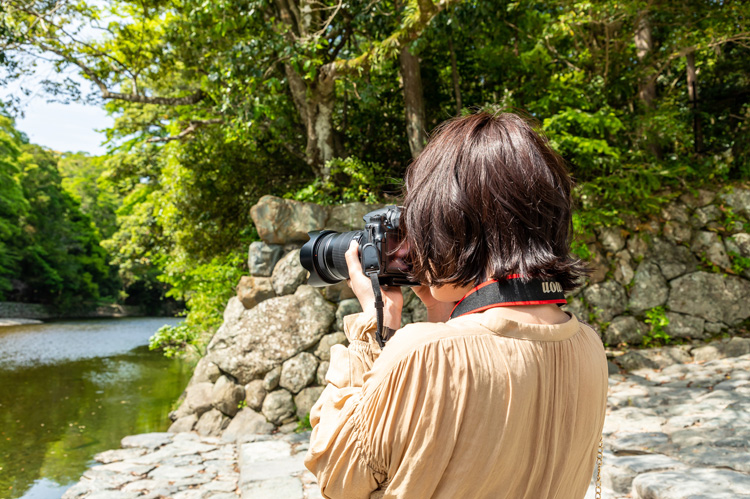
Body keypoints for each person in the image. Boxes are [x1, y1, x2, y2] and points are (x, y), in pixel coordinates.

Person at [304, 112, 608, 499]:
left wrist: (373, 326)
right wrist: (444, 315)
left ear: (451, 222)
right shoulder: (587, 345)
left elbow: (337, 476)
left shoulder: (423, 352)